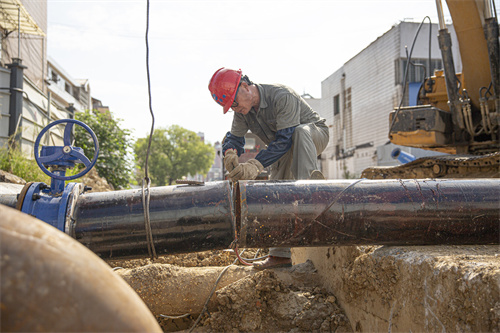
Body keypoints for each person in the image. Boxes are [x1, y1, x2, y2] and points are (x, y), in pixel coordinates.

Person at [208, 67, 329, 269]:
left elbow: (285, 139)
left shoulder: (282, 96)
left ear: (245, 87)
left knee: (299, 133)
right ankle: (280, 256)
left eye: (234, 103)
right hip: (284, 145)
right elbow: (235, 138)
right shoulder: (242, 111)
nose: (235, 109)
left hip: (313, 135)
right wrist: (230, 152)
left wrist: (255, 165)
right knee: (277, 189)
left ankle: (309, 192)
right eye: (231, 107)